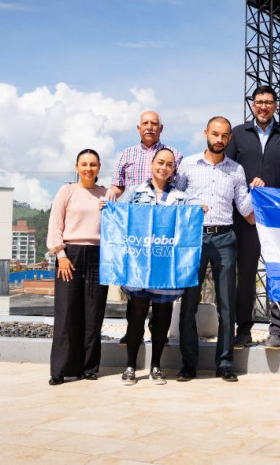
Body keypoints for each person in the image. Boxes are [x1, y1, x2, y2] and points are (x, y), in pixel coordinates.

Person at [175, 116, 255, 382]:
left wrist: (260, 194)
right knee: (189, 302)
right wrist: (189, 207)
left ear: (229, 138)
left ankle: (224, 364)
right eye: (215, 134)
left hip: (224, 238)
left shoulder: (236, 170)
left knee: (226, 305)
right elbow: (174, 199)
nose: (219, 139)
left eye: (224, 136)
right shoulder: (187, 165)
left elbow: (245, 207)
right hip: (193, 239)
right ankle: (189, 364)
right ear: (205, 133)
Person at [225, 86, 280, 350]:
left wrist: (273, 199)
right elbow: (229, 171)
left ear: (276, 106)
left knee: (278, 275)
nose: (263, 107)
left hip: (276, 220)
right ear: (252, 105)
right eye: (258, 102)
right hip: (245, 219)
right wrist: (246, 205)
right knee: (244, 275)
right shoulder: (238, 134)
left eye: (268, 102)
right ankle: (243, 329)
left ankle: (277, 331)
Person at [107, 111, 182, 345]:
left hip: (163, 237)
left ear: (161, 128)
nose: (149, 127)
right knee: (135, 290)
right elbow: (117, 188)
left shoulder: (174, 155)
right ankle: (133, 334)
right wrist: (108, 203)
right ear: (138, 128)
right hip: (135, 235)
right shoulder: (126, 155)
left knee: (162, 290)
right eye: (145, 124)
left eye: (154, 124)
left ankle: (159, 335)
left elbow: (180, 191)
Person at [119, 147, 190, 386]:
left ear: (173, 169)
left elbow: (185, 229)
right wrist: (106, 210)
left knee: (162, 317)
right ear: (152, 164)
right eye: (160, 162)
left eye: (169, 164)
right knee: (136, 316)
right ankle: (130, 365)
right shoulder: (134, 192)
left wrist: (196, 214)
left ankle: (156, 365)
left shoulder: (180, 198)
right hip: (138, 265)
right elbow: (119, 218)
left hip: (166, 267)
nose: (164, 167)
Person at [47, 149, 108, 385]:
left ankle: (89, 367)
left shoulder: (106, 194)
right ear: (77, 167)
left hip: (98, 255)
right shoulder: (67, 191)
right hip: (69, 255)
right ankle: (60, 370)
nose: (88, 168)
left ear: (99, 167)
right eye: (84, 164)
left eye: (93, 164)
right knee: (66, 313)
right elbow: (55, 224)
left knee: (93, 313)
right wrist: (60, 254)